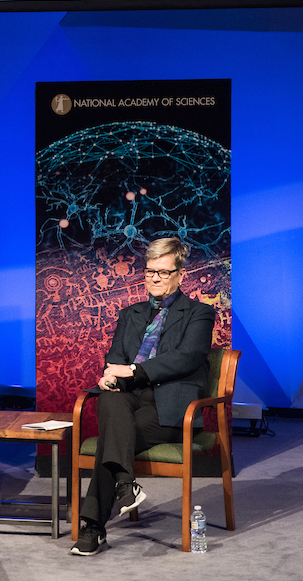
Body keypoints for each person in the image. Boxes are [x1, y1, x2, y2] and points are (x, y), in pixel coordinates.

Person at [70, 237, 213, 556]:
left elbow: (187, 357)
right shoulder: (130, 313)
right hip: (127, 400)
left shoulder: (199, 313)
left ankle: (93, 527)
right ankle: (124, 485)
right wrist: (110, 373)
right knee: (108, 398)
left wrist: (132, 370)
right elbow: (114, 356)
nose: (155, 278)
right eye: (150, 271)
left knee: (111, 437)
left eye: (163, 272)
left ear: (181, 274)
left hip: (171, 407)